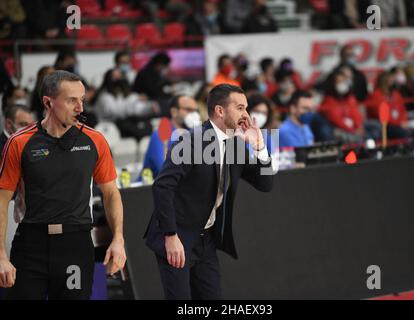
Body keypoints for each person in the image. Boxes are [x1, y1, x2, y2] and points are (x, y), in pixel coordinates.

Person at [0, 71, 126, 299]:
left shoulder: (95, 140)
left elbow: (110, 194)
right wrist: (0, 255)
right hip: (31, 244)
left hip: (75, 244)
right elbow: (1, 201)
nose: (80, 108)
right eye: (72, 100)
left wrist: (118, 239)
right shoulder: (19, 142)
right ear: (48, 102)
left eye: (82, 100)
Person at [144, 84, 274, 300]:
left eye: (246, 108)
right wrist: (171, 235)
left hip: (206, 239)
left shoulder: (236, 146)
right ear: (220, 111)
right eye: (240, 108)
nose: (247, 115)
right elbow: (162, 186)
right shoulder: (192, 141)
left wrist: (259, 146)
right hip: (177, 236)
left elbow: (265, 184)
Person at [142, 95, 201, 178]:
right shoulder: (161, 134)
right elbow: (163, 169)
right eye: (188, 110)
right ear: (174, 112)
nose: (194, 114)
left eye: (196, 111)